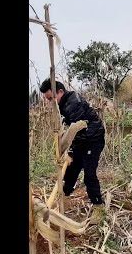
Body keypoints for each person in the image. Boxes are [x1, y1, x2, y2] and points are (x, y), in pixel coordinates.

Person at [39, 79, 106, 223]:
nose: (50, 102)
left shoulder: (73, 105)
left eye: (51, 98)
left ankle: (99, 207)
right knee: (71, 170)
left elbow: (76, 131)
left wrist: (70, 152)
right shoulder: (64, 103)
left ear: (60, 92)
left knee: (89, 174)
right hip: (82, 140)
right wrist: (71, 153)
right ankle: (62, 199)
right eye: (48, 99)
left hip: (93, 140)